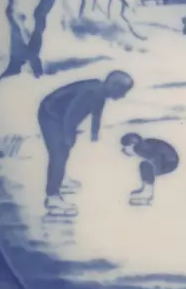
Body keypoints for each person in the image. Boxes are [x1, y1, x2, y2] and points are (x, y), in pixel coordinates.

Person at [38, 71, 133, 215]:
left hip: (60, 115)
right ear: (113, 86)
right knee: (59, 153)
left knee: (65, 147)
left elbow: (97, 112)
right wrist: (67, 135)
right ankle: (52, 197)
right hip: (50, 114)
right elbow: (70, 114)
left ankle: (60, 177)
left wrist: (94, 134)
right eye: (123, 91)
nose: (123, 95)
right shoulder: (91, 92)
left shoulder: (100, 91)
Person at [120, 133, 180, 205]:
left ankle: (147, 192)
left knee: (146, 165)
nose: (124, 150)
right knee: (145, 165)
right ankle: (146, 189)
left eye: (125, 147)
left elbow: (154, 159)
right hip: (167, 159)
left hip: (168, 162)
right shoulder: (143, 145)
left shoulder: (139, 148)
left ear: (132, 145)